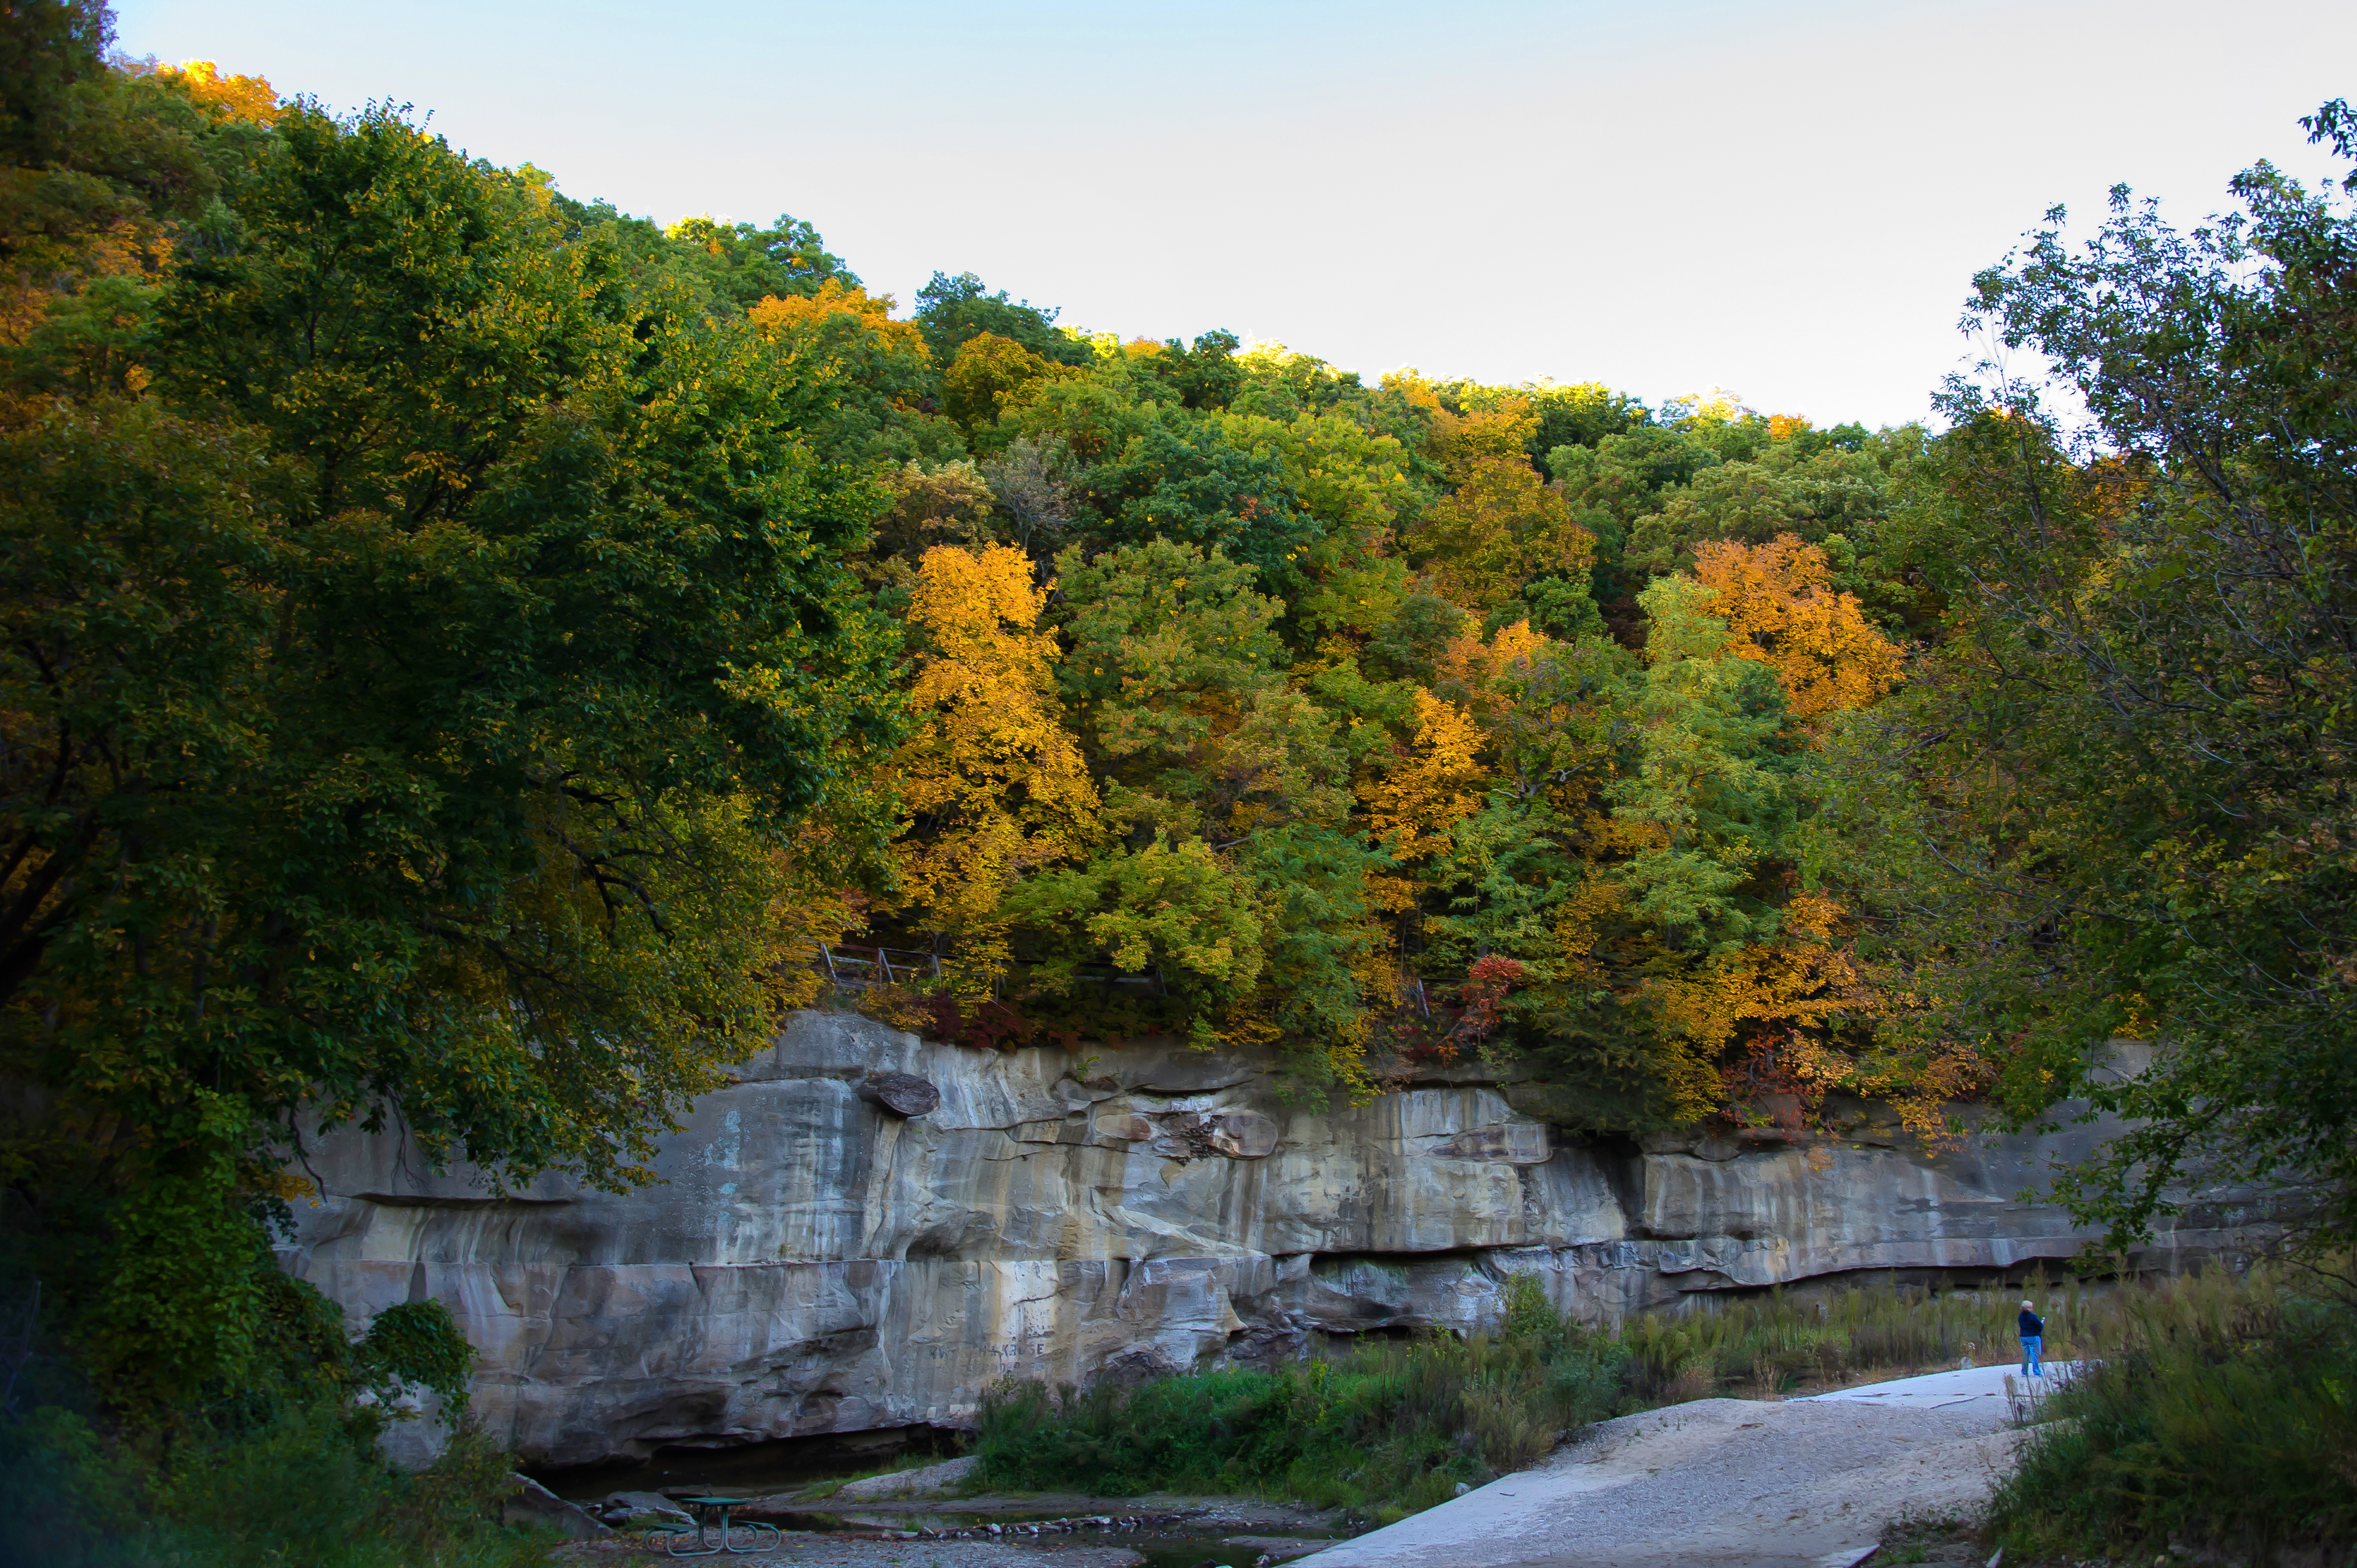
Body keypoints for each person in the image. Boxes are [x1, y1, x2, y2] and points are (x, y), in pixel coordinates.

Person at [2018, 1300, 2045, 1378]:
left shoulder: (2021, 1317)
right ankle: (2037, 1372)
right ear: (2029, 1308)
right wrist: (2042, 1323)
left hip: (2023, 1337)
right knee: (2035, 1354)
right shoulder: (2033, 1317)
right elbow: (2040, 1327)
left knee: (2026, 1355)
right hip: (2033, 1337)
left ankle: (2024, 1372)